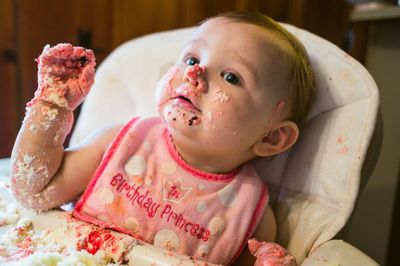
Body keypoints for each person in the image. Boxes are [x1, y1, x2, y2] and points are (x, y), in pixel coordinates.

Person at [10, 11, 314, 266]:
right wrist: (51, 105)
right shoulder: (122, 143)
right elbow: (35, 192)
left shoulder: (250, 214)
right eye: (192, 58)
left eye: (232, 77)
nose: (196, 73)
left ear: (273, 137)